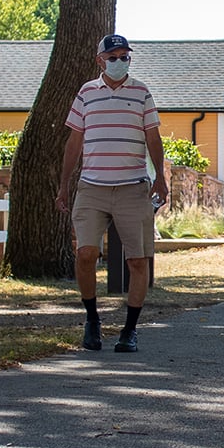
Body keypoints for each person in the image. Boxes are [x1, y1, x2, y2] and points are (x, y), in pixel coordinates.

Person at [55, 34, 168, 353]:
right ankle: (92, 320)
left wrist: (159, 176)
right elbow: (74, 141)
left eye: (125, 57)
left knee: (137, 261)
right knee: (85, 253)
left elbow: (153, 137)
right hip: (92, 187)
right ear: (100, 60)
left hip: (133, 187)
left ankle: (130, 331)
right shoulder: (86, 93)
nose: (120, 62)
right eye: (113, 57)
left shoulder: (141, 91)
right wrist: (64, 185)